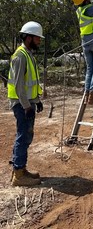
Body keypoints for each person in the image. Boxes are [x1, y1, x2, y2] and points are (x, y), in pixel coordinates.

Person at [8, 22, 45, 186]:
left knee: (27, 135)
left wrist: (36, 101)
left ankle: (20, 169)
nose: (39, 41)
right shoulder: (20, 56)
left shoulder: (28, 54)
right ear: (29, 37)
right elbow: (18, 85)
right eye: (37, 38)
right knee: (23, 136)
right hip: (21, 104)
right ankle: (18, 175)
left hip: (28, 103)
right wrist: (26, 106)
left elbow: (30, 82)